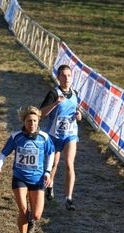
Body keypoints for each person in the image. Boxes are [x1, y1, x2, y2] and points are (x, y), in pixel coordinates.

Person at [0, 106, 55, 233]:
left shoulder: (44, 137)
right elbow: (3, 153)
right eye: (29, 121)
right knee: (23, 210)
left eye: (34, 121)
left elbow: (50, 153)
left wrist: (48, 172)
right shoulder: (16, 136)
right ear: (24, 121)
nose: (32, 124)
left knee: (36, 215)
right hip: (19, 178)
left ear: (38, 121)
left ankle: (32, 220)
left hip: (37, 179)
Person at [40, 64, 82, 211]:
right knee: (53, 165)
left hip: (70, 135)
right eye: (63, 76)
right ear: (58, 77)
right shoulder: (53, 93)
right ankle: (49, 185)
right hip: (54, 135)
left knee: (69, 164)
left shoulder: (75, 93)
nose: (66, 78)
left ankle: (68, 198)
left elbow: (76, 110)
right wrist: (55, 104)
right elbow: (41, 113)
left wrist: (79, 116)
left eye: (69, 75)